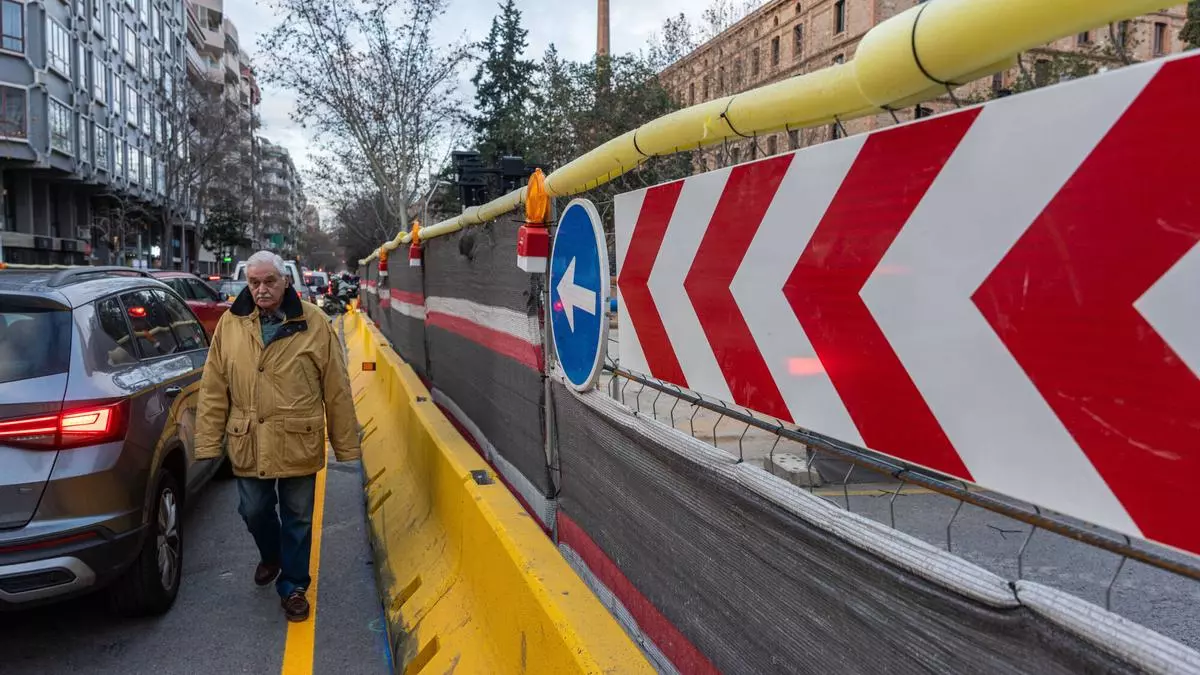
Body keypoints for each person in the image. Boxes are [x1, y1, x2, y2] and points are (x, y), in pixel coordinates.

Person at [194, 250, 360, 622]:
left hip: (298, 437)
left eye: (269, 281)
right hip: (249, 438)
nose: (262, 289)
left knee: (298, 517)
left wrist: (346, 443)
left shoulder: (314, 322)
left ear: (285, 281)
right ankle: (271, 555)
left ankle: (294, 587)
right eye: (254, 282)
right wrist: (207, 441)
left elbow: (336, 388)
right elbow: (214, 387)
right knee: (254, 510)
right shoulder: (231, 324)